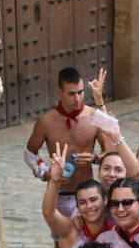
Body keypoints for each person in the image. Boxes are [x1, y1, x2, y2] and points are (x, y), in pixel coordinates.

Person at [24, 67, 105, 200]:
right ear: (60, 92)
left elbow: (111, 153)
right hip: (58, 195)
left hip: (87, 194)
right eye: (71, 94)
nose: (77, 99)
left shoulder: (94, 116)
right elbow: (29, 153)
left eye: (80, 92)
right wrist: (46, 174)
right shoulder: (46, 122)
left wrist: (94, 158)